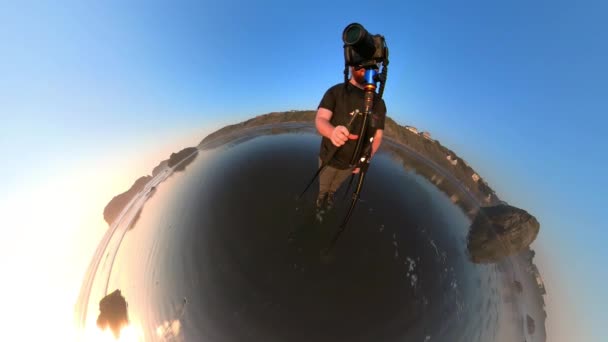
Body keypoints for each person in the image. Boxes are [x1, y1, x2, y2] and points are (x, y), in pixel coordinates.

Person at [315, 65, 387, 210]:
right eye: (361, 59)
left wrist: (367, 157)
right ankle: (321, 196)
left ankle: (330, 195)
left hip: (351, 165)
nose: (366, 66)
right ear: (351, 64)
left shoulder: (379, 103)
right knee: (324, 183)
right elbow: (320, 119)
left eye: (373, 63)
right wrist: (332, 132)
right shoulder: (336, 91)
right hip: (328, 158)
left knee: (335, 185)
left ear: (378, 69)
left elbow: (378, 135)